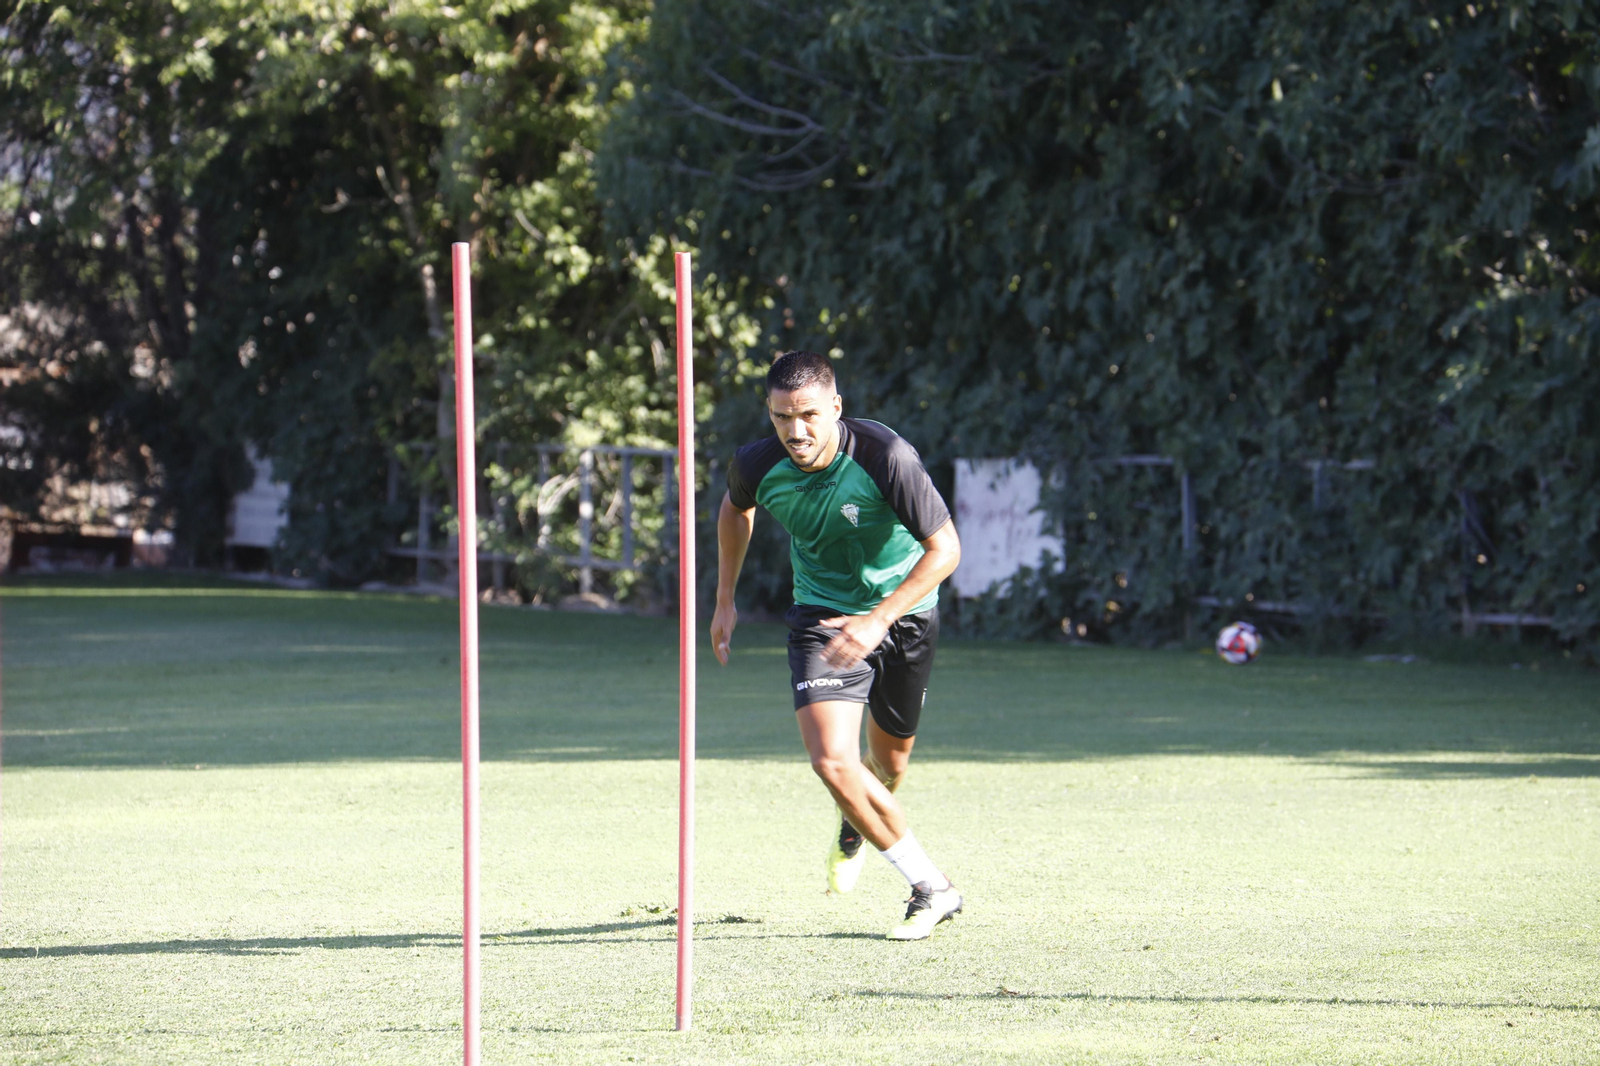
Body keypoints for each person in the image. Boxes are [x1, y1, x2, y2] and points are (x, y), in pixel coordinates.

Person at [711, 349, 963, 941]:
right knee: (832, 761)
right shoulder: (757, 462)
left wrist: (878, 619)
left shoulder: (884, 456)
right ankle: (932, 887)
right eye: (780, 417)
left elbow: (945, 550)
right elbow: (734, 508)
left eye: (808, 415)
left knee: (890, 765)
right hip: (822, 617)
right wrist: (725, 597)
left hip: (903, 615)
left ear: (836, 408)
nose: (795, 431)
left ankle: (854, 824)